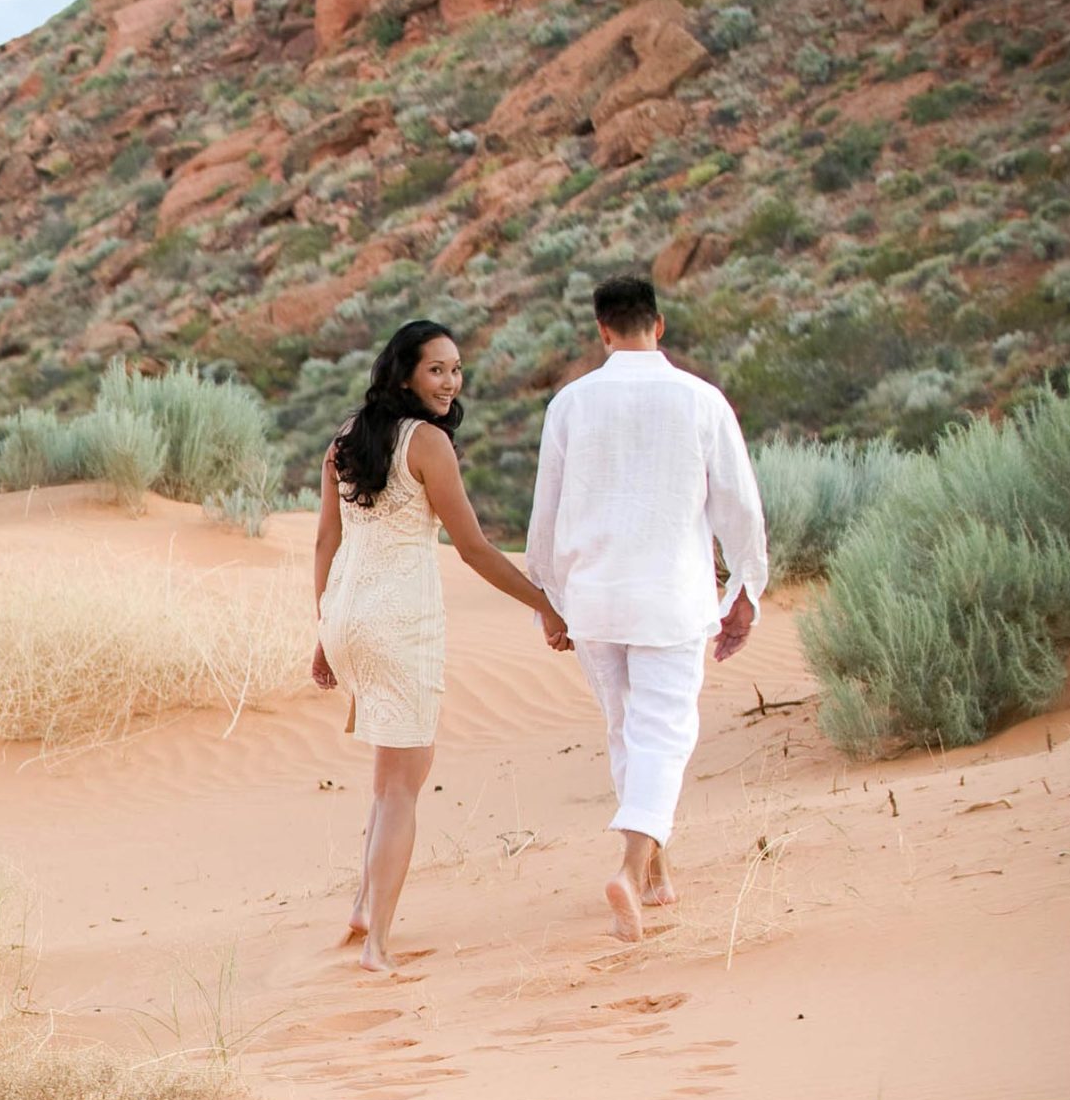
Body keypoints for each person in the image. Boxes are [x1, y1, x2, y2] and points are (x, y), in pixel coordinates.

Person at [313, 319, 570, 973]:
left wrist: (323, 632)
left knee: (386, 779)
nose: (450, 381)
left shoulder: (345, 439)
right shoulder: (427, 444)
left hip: (347, 614)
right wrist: (545, 601)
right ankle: (377, 947)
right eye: (436, 370)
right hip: (399, 624)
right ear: (404, 374)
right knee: (402, 786)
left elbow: (325, 543)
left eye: (456, 369)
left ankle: (363, 909)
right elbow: (476, 547)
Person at [526, 276, 769, 942]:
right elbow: (739, 506)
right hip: (671, 596)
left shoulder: (571, 404)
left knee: (627, 730)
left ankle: (658, 874)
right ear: (657, 326)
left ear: (603, 330)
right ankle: (631, 872)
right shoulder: (700, 399)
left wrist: (547, 598)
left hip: (596, 598)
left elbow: (545, 513)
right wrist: (745, 588)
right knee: (663, 733)